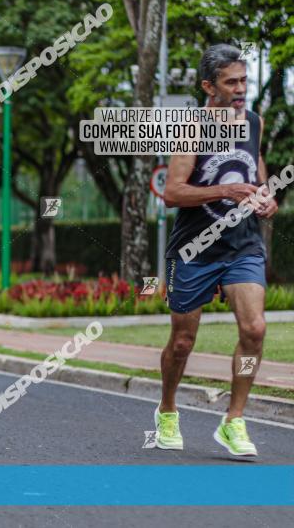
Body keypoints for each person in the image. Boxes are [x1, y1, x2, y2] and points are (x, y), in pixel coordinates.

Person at [159, 44, 278, 457]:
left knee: (255, 329)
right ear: (209, 86)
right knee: (182, 342)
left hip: (243, 245)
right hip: (195, 249)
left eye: (245, 80)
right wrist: (226, 189)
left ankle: (234, 419)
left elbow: (257, 173)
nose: (241, 89)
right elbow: (172, 193)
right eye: (232, 82)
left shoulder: (253, 123)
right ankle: (168, 408)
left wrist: (267, 199)